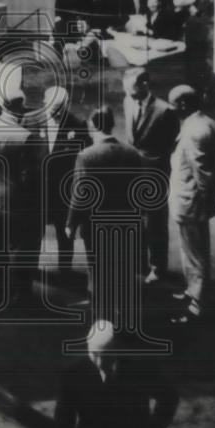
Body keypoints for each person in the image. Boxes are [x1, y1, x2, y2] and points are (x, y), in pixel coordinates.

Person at [65, 107, 144, 307]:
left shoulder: (86, 156)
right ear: (111, 124)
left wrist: (70, 223)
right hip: (126, 219)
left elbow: (80, 194)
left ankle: (98, 302)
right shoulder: (132, 153)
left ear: (92, 127)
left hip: (95, 221)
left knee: (96, 264)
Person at [54, 320, 178, 428]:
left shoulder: (139, 370)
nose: (98, 361)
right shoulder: (72, 375)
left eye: (104, 355)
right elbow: (63, 422)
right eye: (94, 354)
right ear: (87, 346)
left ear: (117, 348)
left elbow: (169, 396)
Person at [0, 89, 44, 305]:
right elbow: (28, 177)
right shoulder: (26, 136)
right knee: (20, 249)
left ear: (2, 105)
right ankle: (19, 295)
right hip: (17, 202)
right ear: (20, 107)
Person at [167, 84, 215, 320]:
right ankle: (192, 290)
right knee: (189, 251)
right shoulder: (196, 124)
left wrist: (208, 201)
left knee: (196, 253)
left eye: (173, 104)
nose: (171, 109)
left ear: (182, 104)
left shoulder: (196, 131)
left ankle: (198, 302)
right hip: (188, 201)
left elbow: (204, 174)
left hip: (192, 203)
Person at [122, 68, 179, 284]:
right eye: (126, 91)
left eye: (133, 91)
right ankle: (138, 260)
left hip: (155, 175)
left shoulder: (165, 112)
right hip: (132, 172)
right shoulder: (128, 101)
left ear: (145, 85)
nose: (129, 95)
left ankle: (158, 266)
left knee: (155, 223)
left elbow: (171, 147)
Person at [39, 86, 90, 274]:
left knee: (64, 231)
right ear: (44, 103)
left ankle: (65, 270)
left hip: (63, 189)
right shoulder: (32, 122)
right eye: (51, 106)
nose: (54, 110)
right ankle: (30, 268)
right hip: (38, 189)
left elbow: (85, 157)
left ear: (66, 105)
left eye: (59, 107)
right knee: (35, 230)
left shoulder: (77, 124)